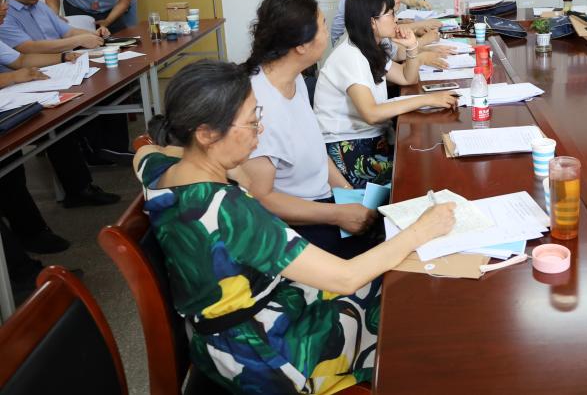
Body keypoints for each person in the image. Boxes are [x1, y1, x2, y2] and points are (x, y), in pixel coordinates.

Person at [136, 60, 455, 393]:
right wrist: (421, 229)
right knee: (402, 311)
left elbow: (144, 150)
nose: (260, 130)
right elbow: (345, 278)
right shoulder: (231, 211)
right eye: (252, 121)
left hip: (222, 334)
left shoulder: (158, 170)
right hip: (265, 352)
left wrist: (217, 165)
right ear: (205, 134)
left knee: (391, 285)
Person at [238, 0, 376, 258]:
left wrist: (348, 194)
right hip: (296, 226)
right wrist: (337, 214)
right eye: (323, 25)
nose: (328, 31)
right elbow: (262, 197)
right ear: (301, 45)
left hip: (324, 203)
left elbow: (316, 151)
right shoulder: (257, 105)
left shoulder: (294, 78)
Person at [0, 0, 116, 262]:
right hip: (9, 102)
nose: (4, 6)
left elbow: (20, 60)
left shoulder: (38, 8)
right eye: (0, 1)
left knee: (58, 126)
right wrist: (13, 77)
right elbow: (21, 60)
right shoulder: (10, 21)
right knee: (8, 168)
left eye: (2, 0)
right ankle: (27, 245)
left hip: (13, 99)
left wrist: (64, 56)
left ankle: (76, 191)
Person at [315, 0, 458, 188]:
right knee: (425, 166)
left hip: (372, 139)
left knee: (428, 158)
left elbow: (406, 78)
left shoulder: (371, 45)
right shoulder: (350, 55)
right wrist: (427, 99)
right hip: (349, 148)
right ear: (372, 22)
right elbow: (371, 113)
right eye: (390, 14)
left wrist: (412, 47)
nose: (396, 19)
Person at [2, 0, 133, 165]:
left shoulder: (39, 6)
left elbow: (67, 31)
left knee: (112, 84)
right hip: (35, 76)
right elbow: (28, 49)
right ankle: (94, 152)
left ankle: (113, 149)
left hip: (61, 66)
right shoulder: (5, 15)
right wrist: (76, 42)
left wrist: (92, 34)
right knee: (85, 95)